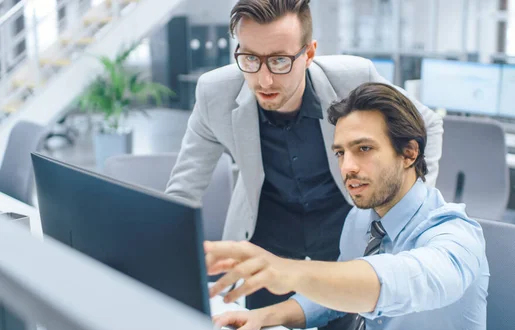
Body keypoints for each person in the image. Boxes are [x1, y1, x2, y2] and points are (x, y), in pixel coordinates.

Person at [165, 0, 443, 310]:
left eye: (280, 61)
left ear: (308, 54)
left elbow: (426, 123)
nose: (264, 79)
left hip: (345, 238)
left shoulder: (354, 78)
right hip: (267, 247)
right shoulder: (214, 93)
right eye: (250, 58)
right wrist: (162, 259)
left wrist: (411, 207)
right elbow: (183, 189)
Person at [205, 82, 489, 330]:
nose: (347, 167)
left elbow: (400, 280)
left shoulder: (455, 235)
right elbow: (338, 294)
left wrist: (287, 271)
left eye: (363, 149)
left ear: (409, 153)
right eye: (341, 153)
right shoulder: (360, 218)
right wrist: (265, 315)